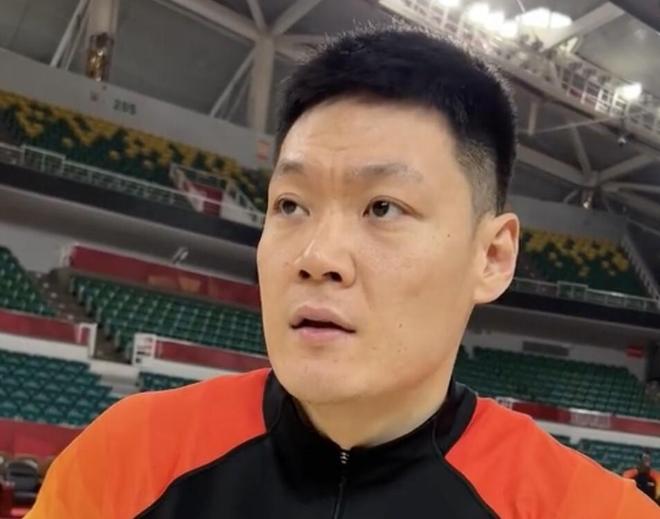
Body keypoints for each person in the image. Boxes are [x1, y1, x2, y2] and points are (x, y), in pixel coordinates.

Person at [27, 25, 658, 518]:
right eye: (290, 205)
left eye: (383, 207)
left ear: (491, 257)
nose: (316, 257)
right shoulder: (123, 462)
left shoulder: (588, 509)